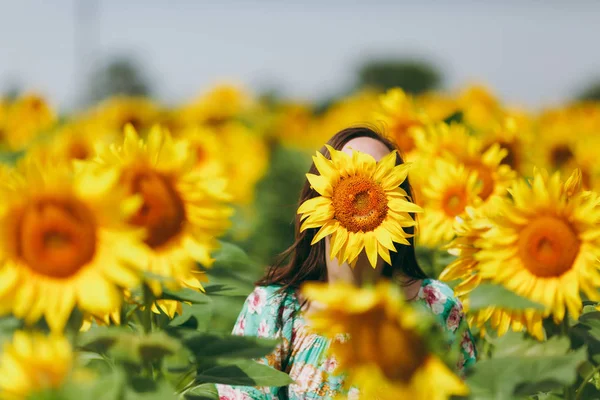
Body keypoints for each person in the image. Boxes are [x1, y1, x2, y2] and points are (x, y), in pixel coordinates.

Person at [217, 126, 476, 400]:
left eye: (376, 177)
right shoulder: (275, 310)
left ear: (399, 199)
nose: (363, 189)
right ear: (319, 195)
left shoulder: (436, 306)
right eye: (349, 175)